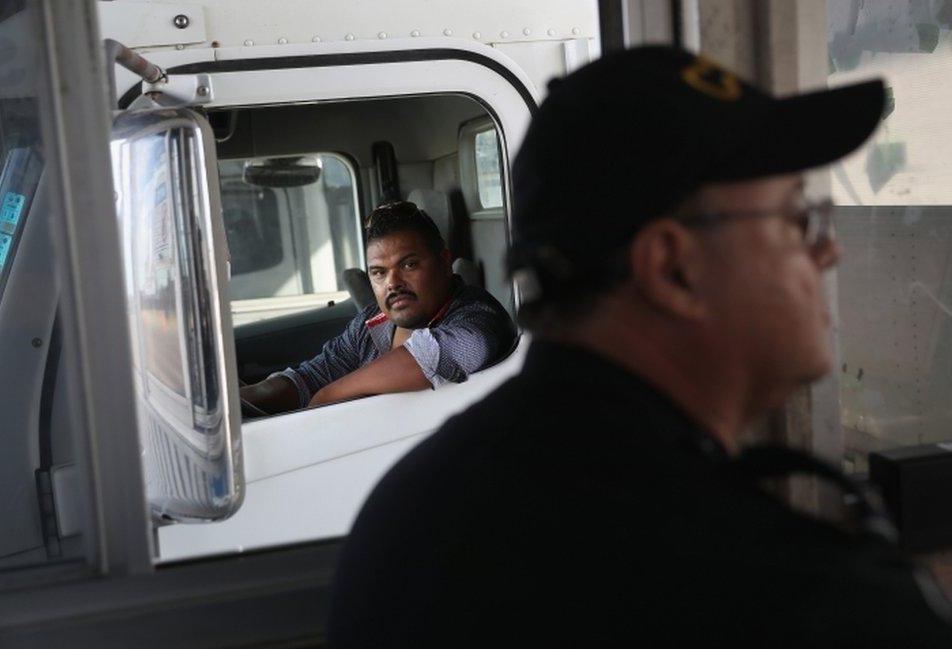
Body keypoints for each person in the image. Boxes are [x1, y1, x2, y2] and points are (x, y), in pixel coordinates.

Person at [327, 47, 952, 646]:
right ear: (673, 268)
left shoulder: (415, 508)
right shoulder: (782, 591)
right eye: (796, 220)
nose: (828, 250)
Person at [241, 200, 515, 413]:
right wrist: (244, 400)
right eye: (379, 273)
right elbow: (311, 377)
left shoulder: (478, 315)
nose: (393, 283)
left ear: (444, 262)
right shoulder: (372, 322)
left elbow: (434, 356)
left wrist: (326, 398)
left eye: (409, 265)